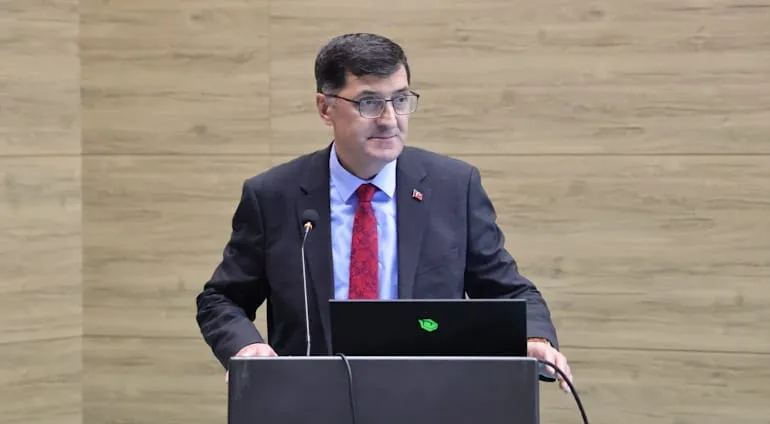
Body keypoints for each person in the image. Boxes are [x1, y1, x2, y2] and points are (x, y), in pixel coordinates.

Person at [195, 32, 573, 392]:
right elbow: (221, 299)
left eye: (401, 99)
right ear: (325, 107)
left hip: (429, 399)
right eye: (369, 102)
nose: (390, 119)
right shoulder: (274, 196)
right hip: (308, 400)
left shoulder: (453, 188)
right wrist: (246, 347)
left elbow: (509, 290)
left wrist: (534, 338)